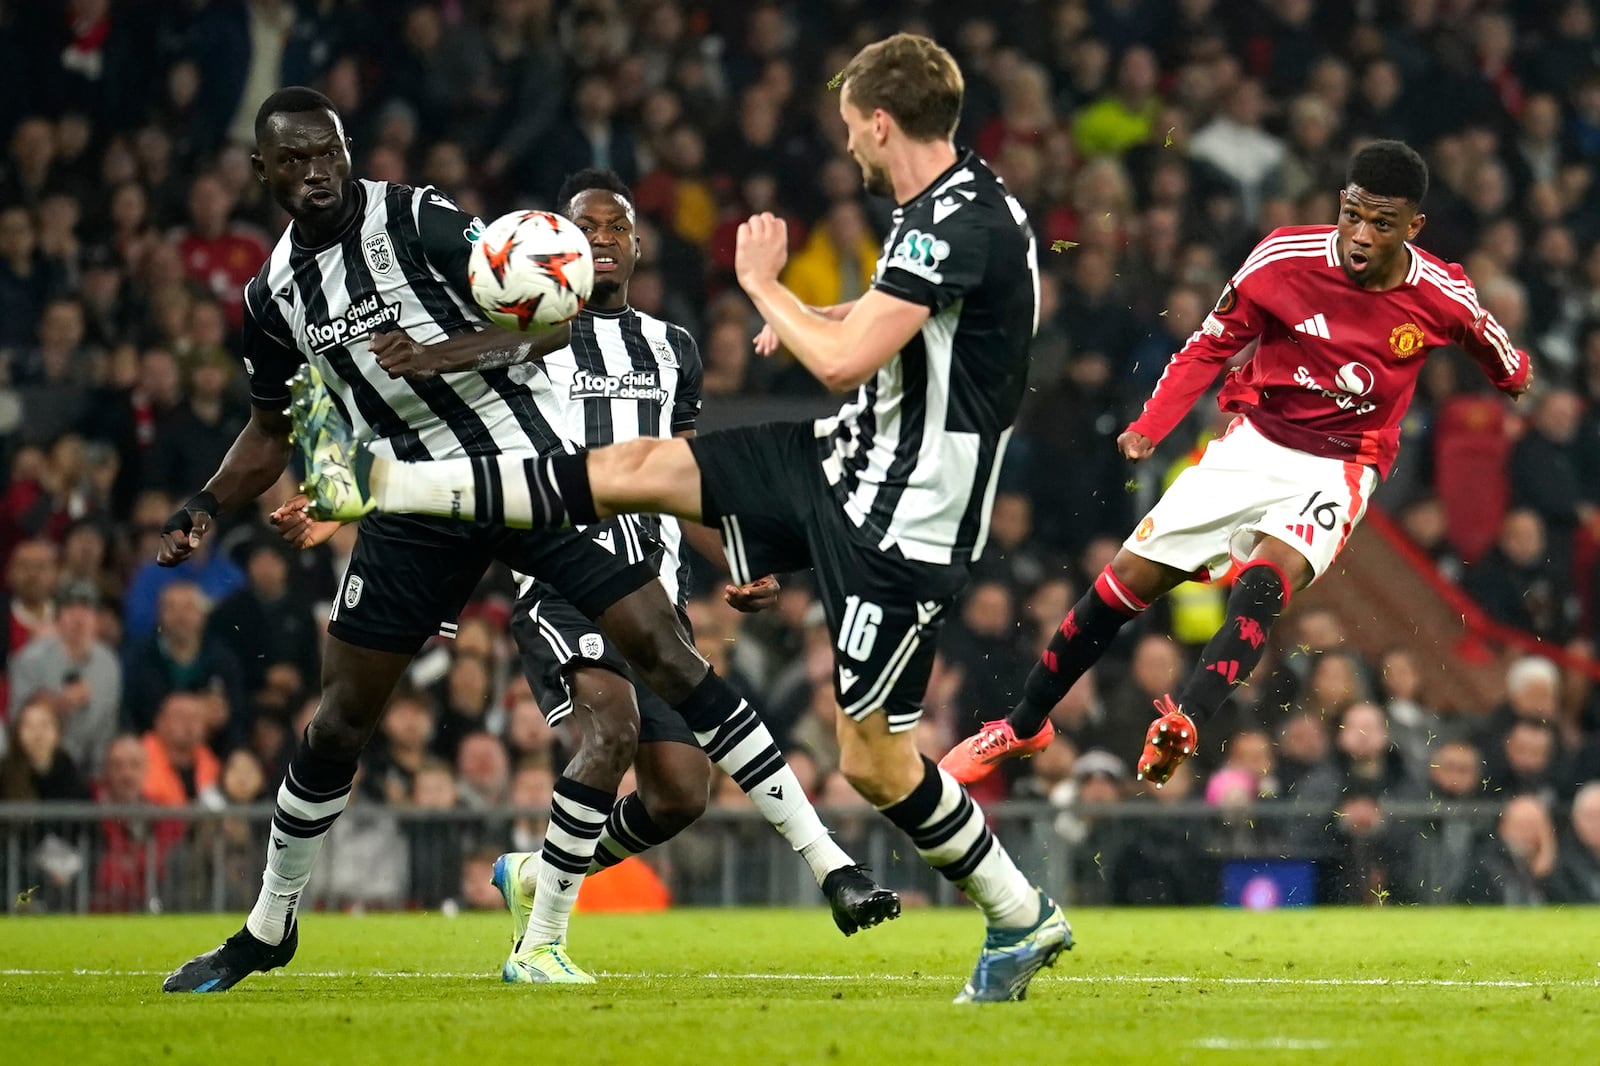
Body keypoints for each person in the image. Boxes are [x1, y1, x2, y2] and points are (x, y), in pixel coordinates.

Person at [296, 34, 1070, 1003]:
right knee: (634, 468)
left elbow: (841, 362)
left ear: (880, 121)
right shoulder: (963, 203)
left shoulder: (947, 223)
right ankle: (382, 480)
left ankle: (1017, 911)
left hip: (904, 518)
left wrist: (764, 287)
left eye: (848, 130)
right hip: (841, 459)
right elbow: (909, 319)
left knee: (871, 761)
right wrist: (816, 306)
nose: (846, 149)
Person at [161, 87, 893, 995]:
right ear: (262, 171)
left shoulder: (417, 219)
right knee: (341, 718)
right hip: (414, 502)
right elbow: (270, 426)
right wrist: (204, 502)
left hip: (523, 473)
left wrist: (442, 355)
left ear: (348, 151)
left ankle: (829, 869)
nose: (319, 174)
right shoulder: (272, 294)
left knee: (663, 653)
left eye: (330, 154)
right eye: (298, 161)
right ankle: (270, 925)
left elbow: (547, 315)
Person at [938, 139, 1532, 788]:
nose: (1361, 236)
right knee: (1124, 580)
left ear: (1412, 228)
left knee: (1269, 575)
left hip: (1341, 466)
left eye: (1382, 223)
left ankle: (1187, 721)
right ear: (1340, 204)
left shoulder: (1439, 295)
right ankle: (1025, 724)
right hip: (1255, 443)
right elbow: (1209, 344)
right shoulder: (1282, 259)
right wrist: (1152, 423)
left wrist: (1516, 377)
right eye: (1353, 215)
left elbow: (1499, 350)